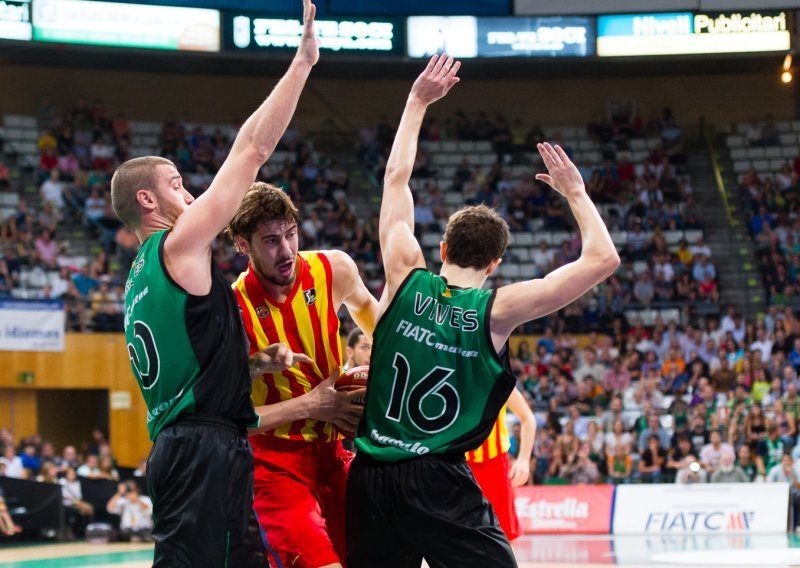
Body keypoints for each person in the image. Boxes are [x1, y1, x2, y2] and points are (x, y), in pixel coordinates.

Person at [346, 55, 619, 567]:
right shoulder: (498, 309)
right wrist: (577, 193)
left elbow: (395, 180)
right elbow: (603, 259)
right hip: (438, 480)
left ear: (443, 248)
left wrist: (417, 101)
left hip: (372, 475)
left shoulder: (405, 274)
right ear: (495, 263)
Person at [109, 2, 320, 564]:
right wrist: (301, 65)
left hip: (191, 442)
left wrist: (252, 366)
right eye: (177, 184)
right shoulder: (176, 245)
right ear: (148, 200)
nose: (189, 193)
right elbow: (251, 151)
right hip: (203, 447)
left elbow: (188, 363)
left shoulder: (138, 283)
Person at [227, 183, 379, 568]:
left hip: (334, 451)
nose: (287, 250)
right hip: (274, 462)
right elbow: (227, 412)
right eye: (271, 241)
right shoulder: (231, 307)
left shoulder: (334, 269)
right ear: (243, 244)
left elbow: (377, 321)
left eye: (291, 234)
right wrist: (258, 365)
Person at [466, 388, 535, 542]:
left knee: (504, 535)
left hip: (495, 464)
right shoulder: (452, 375)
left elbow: (528, 418)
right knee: (457, 535)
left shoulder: (498, 375)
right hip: (458, 462)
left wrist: (524, 459)